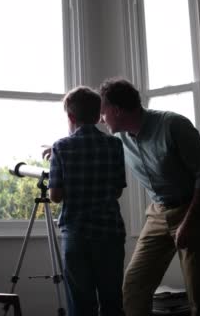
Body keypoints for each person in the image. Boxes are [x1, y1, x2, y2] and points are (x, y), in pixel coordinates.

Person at [97, 78, 200, 316]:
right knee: (133, 287)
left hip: (194, 209)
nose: (101, 120)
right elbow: (90, 140)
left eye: (103, 114)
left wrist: (190, 221)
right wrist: (60, 148)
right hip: (158, 213)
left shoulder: (173, 125)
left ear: (116, 110)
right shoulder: (119, 138)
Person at [47, 86, 128, 316]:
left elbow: (55, 196)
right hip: (110, 232)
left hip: (77, 234)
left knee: (81, 302)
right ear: (97, 115)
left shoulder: (60, 147)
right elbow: (117, 190)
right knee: (112, 299)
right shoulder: (114, 145)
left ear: (71, 117)